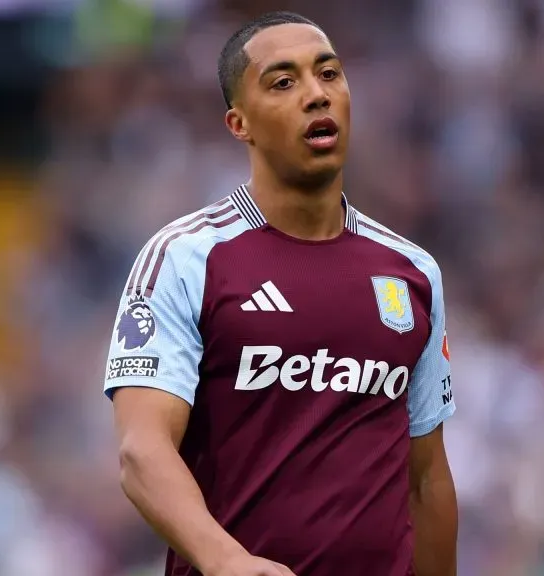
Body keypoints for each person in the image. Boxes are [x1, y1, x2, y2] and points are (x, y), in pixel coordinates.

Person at [104, 11, 457, 576]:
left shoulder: (413, 272)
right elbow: (141, 453)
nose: (316, 94)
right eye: (283, 82)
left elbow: (427, 480)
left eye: (329, 74)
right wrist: (228, 562)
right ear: (238, 123)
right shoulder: (186, 258)